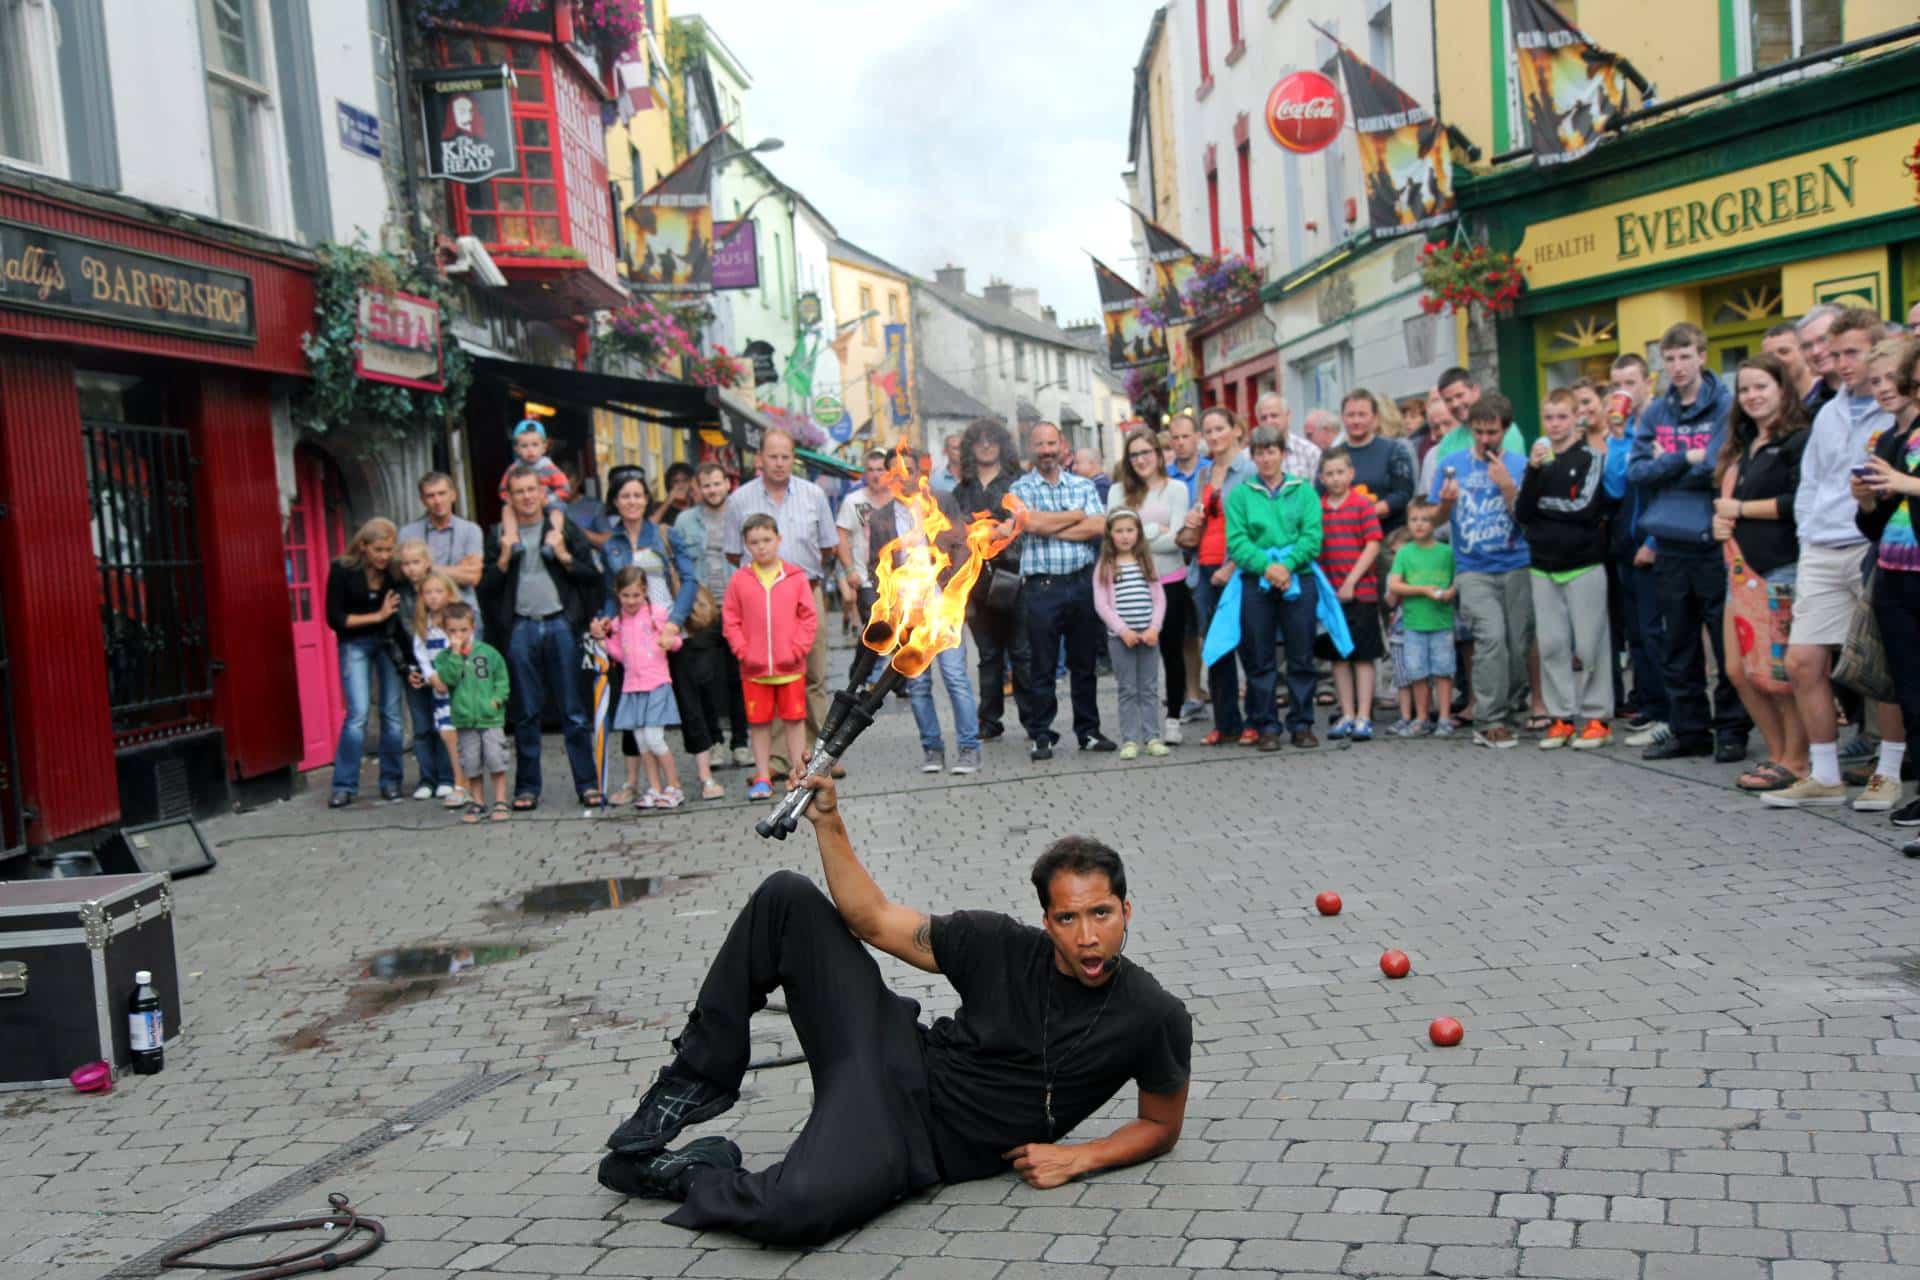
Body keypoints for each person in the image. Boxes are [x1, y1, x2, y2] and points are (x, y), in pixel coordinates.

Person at [596, 784, 1192, 1245]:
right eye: (1068, 918)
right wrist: (828, 821)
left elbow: (1161, 1127)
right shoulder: (997, 943)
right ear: (1047, 921)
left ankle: (683, 1174)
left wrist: (1079, 1157)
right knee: (786, 896)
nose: (1088, 936)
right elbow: (874, 920)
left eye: (1102, 914)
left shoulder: (1154, 1014)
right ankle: (691, 1083)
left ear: (1126, 909)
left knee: (793, 1212)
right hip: (886, 1054)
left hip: (914, 1145)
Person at [1768, 310, 1904, 809]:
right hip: (1822, 547)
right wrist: (1807, 535)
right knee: (1803, 662)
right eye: (1836, 351)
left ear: (1878, 351)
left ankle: (1887, 773)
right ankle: (1824, 774)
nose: (1842, 362)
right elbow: (1812, 484)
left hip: (1872, 545)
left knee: (1878, 664)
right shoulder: (1828, 411)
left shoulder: (1895, 409)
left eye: (1853, 352)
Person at [1629, 321, 1749, 763]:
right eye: (1670, 358)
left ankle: (1733, 728)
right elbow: (1637, 472)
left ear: (1702, 356)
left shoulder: (1723, 405)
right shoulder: (1656, 412)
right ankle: (1690, 730)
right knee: (1677, 644)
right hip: (1670, 542)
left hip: (1715, 541)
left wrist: (1675, 462)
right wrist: (1687, 457)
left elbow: (1718, 465)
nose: (1678, 366)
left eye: (1685, 356)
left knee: (1725, 642)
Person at [1711, 355, 1811, 794]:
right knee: (1736, 670)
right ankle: (1776, 753)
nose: (1752, 396)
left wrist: (1740, 510)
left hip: (1780, 568)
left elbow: (1797, 503)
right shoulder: (1742, 445)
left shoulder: (1798, 440)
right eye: (1745, 389)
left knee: (1781, 677)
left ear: (1782, 390)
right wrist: (1719, 523)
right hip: (1739, 572)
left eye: (1761, 387)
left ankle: (1796, 761)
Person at [480, 465, 605, 811]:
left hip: (561, 624)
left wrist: (563, 555)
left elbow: (591, 577)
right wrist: (505, 557)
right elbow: (486, 587)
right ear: (510, 497)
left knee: (575, 712)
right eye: (518, 491)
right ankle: (527, 788)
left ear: (542, 492)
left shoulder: (562, 529)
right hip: (521, 626)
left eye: (531, 490)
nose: (526, 497)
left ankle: (587, 784)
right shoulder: (498, 534)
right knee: (525, 713)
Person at [604, 469, 720, 801]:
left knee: (689, 701)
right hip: (631, 635)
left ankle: (704, 776)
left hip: (669, 630)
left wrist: (675, 621)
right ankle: (632, 782)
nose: (632, 502)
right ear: (616, 501)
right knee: (634, 706)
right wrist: (603, 623)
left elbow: (689, 579)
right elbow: (608, 593)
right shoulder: (611, 545)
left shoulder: (665, 535)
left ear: (646, 499)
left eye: (638, 495)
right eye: (625, 496)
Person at [723, 429, 840, 753]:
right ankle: (777, 759)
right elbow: (734, 552)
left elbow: (829, 546)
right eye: (772, 457)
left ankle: (818, 754)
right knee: (767, 677)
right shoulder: (740, 500)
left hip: (807, 592)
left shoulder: (813, 495)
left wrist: (797, 578)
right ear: (760, 459)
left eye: (785, 457)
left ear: (794, 459)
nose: (779, 464)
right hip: (761, 600)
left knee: (813, 676)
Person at [1517, 389, 1616, 751]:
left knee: (1591, 644)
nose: (1555, 424)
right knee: (1553, 644)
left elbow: (1585, 507)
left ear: (1577, 417)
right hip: (1543, 566)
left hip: (1584, 564)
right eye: (1549, 417)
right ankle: (1560, 717)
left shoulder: (1590, 457)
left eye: (1562, 416)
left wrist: (1543, 505)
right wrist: (1532, 471)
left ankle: (1597, 717)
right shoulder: (1539, 461)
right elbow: (1523, 511)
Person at [1433, 394, 1533, 749]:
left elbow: (1528, 519)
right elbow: (1434, 521)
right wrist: (1445, 502)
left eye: (1492, 432)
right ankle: (1488, 719)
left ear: (1505, 430)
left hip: (1516, 563)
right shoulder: (1452, 463)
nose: (1484, 439)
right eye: (1478, 432)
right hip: (1472, 567)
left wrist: (1507, 485)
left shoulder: (1521, 465)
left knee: (1517, 646)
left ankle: (1507, 709)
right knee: (1490, 638)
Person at [1012, 422, 1116, 760]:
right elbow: (1029, 523)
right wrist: (1073, 516)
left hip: (1081, 583)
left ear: (1062, 446)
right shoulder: (1019, 488)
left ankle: (1088, 732)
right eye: (1039, 444)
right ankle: (1042, 734)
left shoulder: (1082, 484)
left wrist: (1047, 524)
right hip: (1042, 589)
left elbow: (1099, 526)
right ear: (1032, 448)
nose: (1046, 450)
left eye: (1051, 443)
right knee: (1041, 667)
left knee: (1084, 664)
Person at [1853, 337, 1920, 840]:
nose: (1884, 388)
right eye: (1874, 381)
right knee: (1911, 692)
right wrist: (1868, 500)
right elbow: (1875, 527)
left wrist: (1902, 483)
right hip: (1895, 577)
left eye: (1893, 377)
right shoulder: (1891, 440)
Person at [1227, 424, 1324, 752]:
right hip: (1257, 581)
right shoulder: (1241, 494)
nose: (1266, 458)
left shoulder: (1304, 490)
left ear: (1282, 454)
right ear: (1252, 456)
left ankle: (1302, 723)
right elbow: (1237, 541)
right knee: (1260, 657)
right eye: (1259, 452)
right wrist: (1266, 567)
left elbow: (1312, 536)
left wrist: (1287, 565)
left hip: (1298, 577)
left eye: (1272, 451)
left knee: (1301, 655)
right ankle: (1267, 724)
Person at [722, 513, 817, 802]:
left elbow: (808, 616)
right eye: (754, 542)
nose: (761, 547)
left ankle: (799, 773)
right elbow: (730, 619)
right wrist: (743, 651)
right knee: (759, 723)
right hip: (754, 670)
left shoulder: (796, 577)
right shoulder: (739, 580)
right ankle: (763, 775)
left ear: (778, 539)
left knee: (794, 721)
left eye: (766, 540)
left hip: (791, 667)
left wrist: (797, 649)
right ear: (746, 545)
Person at [952, 417, 1034, 743]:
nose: (986, 445)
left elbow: (1027, 524)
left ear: (1002, 444)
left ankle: (1033, 720)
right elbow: (953, 536)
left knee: (1022, 653)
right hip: (977, 582)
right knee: (988, 656)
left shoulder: (1019, 483)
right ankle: (989, 721)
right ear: (971, 448)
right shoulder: (962, 490)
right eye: (979, 440)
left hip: (1014, 576)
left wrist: (1006, 530)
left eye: (992, 440)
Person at [1109, 426, 1191, 745]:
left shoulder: (1177, 490)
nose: (1141, 459)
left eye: (1146, 452)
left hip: (1170, 581)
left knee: (1171, 651)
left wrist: (1138, 534)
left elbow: (1179, 539)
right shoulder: (1118, 492)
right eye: (1134, 455)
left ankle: (1173, 717)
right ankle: (1135, 726)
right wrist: (1157, 529)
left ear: (1158, 454)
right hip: (1130, 584)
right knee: (1133, 655)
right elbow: (1116, 539)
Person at [672, 462, 753, 771]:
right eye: (706, 486)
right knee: (702, 678)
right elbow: (678, 568)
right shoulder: (684, 522)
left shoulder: (741, 517)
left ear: (727, 484)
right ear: (698, 488)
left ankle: (741, 742)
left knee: (738, 679)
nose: (712, 490)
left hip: (739, 607)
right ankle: (715, 741)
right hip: (701, 611)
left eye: (717, 484)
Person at [1183, 407, 1256, 745]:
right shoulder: (1204, 474)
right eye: (1208, 431)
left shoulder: (1249, 470)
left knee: (1249, 647)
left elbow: (1257, 526)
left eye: (1219, 429)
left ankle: (1255, 720)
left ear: (1235, 430)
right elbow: (1200, 523)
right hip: (1205, 568)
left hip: (1236, 568)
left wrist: (1233, 566)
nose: (1213, 437)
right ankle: (1225, 723)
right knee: (1215, 648)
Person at [1607, 354, 1670, 744]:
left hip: (1654, 542)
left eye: (1630, 382)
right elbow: (1615, 486)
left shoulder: (1661, 426)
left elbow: (1665, 488)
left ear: (1648, 381)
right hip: (1625, 544)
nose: (1624, 391)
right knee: (1637, 633)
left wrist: (1653, 541)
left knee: (1656, 630)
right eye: (1617, 385)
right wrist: (1615, 439)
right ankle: (1648, 705)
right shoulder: (1625, 431)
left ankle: (1667, 710)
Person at [325, 518, 407, 808]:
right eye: (379, 550)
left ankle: (392, 780)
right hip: (354, 643)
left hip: (388, 644)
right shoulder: (342, 570)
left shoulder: (394, 573)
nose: (385, 556)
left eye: (389, 549)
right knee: (357, 714)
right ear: (363, 547)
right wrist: (378, 616)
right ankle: (344, 785)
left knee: (392, 714)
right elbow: (335, 619)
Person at [590, 565, 687, 810]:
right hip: (632, 688)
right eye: (626, 596)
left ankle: (674, 786)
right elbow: (618, 655)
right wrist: (601, 638)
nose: (631, 601)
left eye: (636, 595)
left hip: (656, 684)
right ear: (617, 594)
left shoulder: (657, 614)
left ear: (645, 592)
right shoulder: (618, 622)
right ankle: (654, 787)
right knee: (642, 741)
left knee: (655, 739)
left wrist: (669, 641)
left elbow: (676, 642)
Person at [1315, 447, 1384, 741]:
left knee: (1363, 656)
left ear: (1351, 474)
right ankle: (1346, 712)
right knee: (1338, 657)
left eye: (1340, 472)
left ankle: (1364, 715)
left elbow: (1372, 544)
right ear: (1321, 477)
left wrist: (1352, 581)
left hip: (1362, 593)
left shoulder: (1361, 505)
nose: (1335, 478)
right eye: (1329, 473)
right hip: (1331, 596)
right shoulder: (1318, 508)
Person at [1092, 509, 1167, 759]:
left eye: (1130, 530)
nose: (1125, 536)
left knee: (1148, 687)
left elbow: (1159, 598)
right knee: (1127, 689)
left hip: (1149, 636)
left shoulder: (1146, 561)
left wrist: (1154, 627)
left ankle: (1153, 736)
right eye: (1119, 531)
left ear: (1138, 533)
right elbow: (1102, 604)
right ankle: (1130, 739)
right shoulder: (1106, 565)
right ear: (1110, 535)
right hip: (1120, 639)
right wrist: (1123, 630)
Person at [433, 603, 511, 824]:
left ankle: (500, 800)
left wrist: (496, 700)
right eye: (453, 631)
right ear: (445, 631)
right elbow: (449, 679)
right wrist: (456, 654)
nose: (458, 635)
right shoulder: (444, 658)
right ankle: (478, 801)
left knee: (496, 758)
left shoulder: (488, 654)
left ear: (473, 628)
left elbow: (502, 679)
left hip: (490, 718)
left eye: (463, 630)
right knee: (471, 762)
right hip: (465, 720)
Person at [390, 539, 455, 801]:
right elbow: (395, 636)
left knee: (445, 724)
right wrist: (407, 668)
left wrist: (450, 671)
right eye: (405, 564)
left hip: (443, 670)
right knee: (421, 726)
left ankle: (447, 777)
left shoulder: (439, 589)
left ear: (427, 562)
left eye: (416, 562)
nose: (411, 569)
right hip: (416, 667)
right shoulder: (398, 594)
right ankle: (427, 778)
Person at [1388, 499, 1457, 736]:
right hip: (1414, 624)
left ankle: (1445, 717)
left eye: (1425, 519)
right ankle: (1422, 717)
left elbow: (1458, 579)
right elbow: (1394, 584)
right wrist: (1422, 590)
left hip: (1441, 622)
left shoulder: (1447, 552)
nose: (1419, 525)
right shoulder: (1405, 553)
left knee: (1443, 671)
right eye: (1414, 520)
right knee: (1417, 672)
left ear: (1435, 522)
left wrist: (1451, 592)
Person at [405, 570, 467, 810]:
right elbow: (420, 653)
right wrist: (431, 676)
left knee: (456, 732)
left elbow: (463, 651)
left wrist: (448, 675)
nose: (433, 597)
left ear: (449, 594)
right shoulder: (423, 624)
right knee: (443, 731)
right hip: (437, 687)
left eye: (438, 591)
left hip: (455, 685)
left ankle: (456, 780)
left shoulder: (454, 624)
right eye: (428, 592)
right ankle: (446, 779)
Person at [1161, 411, 1209, 721]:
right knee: (1185, 633)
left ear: (1196, 438)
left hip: (1208, 559)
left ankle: (1215, 687)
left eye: (1185, 436)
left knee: (1210, 627)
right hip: (1176, 560)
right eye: (1175, 438)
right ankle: (1192, 693)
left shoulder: (1210, 471)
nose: (1180, 443)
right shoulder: (1165, 476)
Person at [398, 471, 485, 633]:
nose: (437, 501)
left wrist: (427, 568)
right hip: (424, 618)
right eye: (430, 496)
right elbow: (404, 575)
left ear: (453, 495)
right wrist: (457, 571)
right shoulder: (407, 533)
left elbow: (473, 577)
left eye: (442, 493)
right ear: (422, 500)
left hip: (463, 616)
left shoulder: (470, 530)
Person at [1338, 390, 1415, 536]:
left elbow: (1404, 493)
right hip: (1345, 538)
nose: (1356, 421)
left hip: (1388, 536)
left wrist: (1368, 512)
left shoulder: (1394, 450)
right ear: (1343, 417)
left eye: (1362, 414)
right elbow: (1321, 494)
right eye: (1350, 415)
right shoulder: (1333, 455)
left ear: (1375, 417)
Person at [496, 419, 571, 510]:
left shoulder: (549, 467)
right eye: (524, 446)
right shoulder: (513, 469)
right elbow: (503, 489)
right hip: (522, 506)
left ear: (544, 447)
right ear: (516, 449)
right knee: (506, 510)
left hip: (546, 504)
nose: (530, 450)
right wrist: (511, 501)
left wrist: (549, 499)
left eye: (535, 445)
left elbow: (565, 488)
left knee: (558, 509)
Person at [1253, 391, 1323, 482]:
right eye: (1263, 418)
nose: (1269, 422)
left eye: (1274, 416)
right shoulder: (1247, 458)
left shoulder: (1310, 452)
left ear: (1288, 415)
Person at [1796, 303, 1843, 417]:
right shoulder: (1807, 413)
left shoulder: (1879, 392)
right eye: (1807, 346)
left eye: (1823, 339)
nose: (1815, 351)